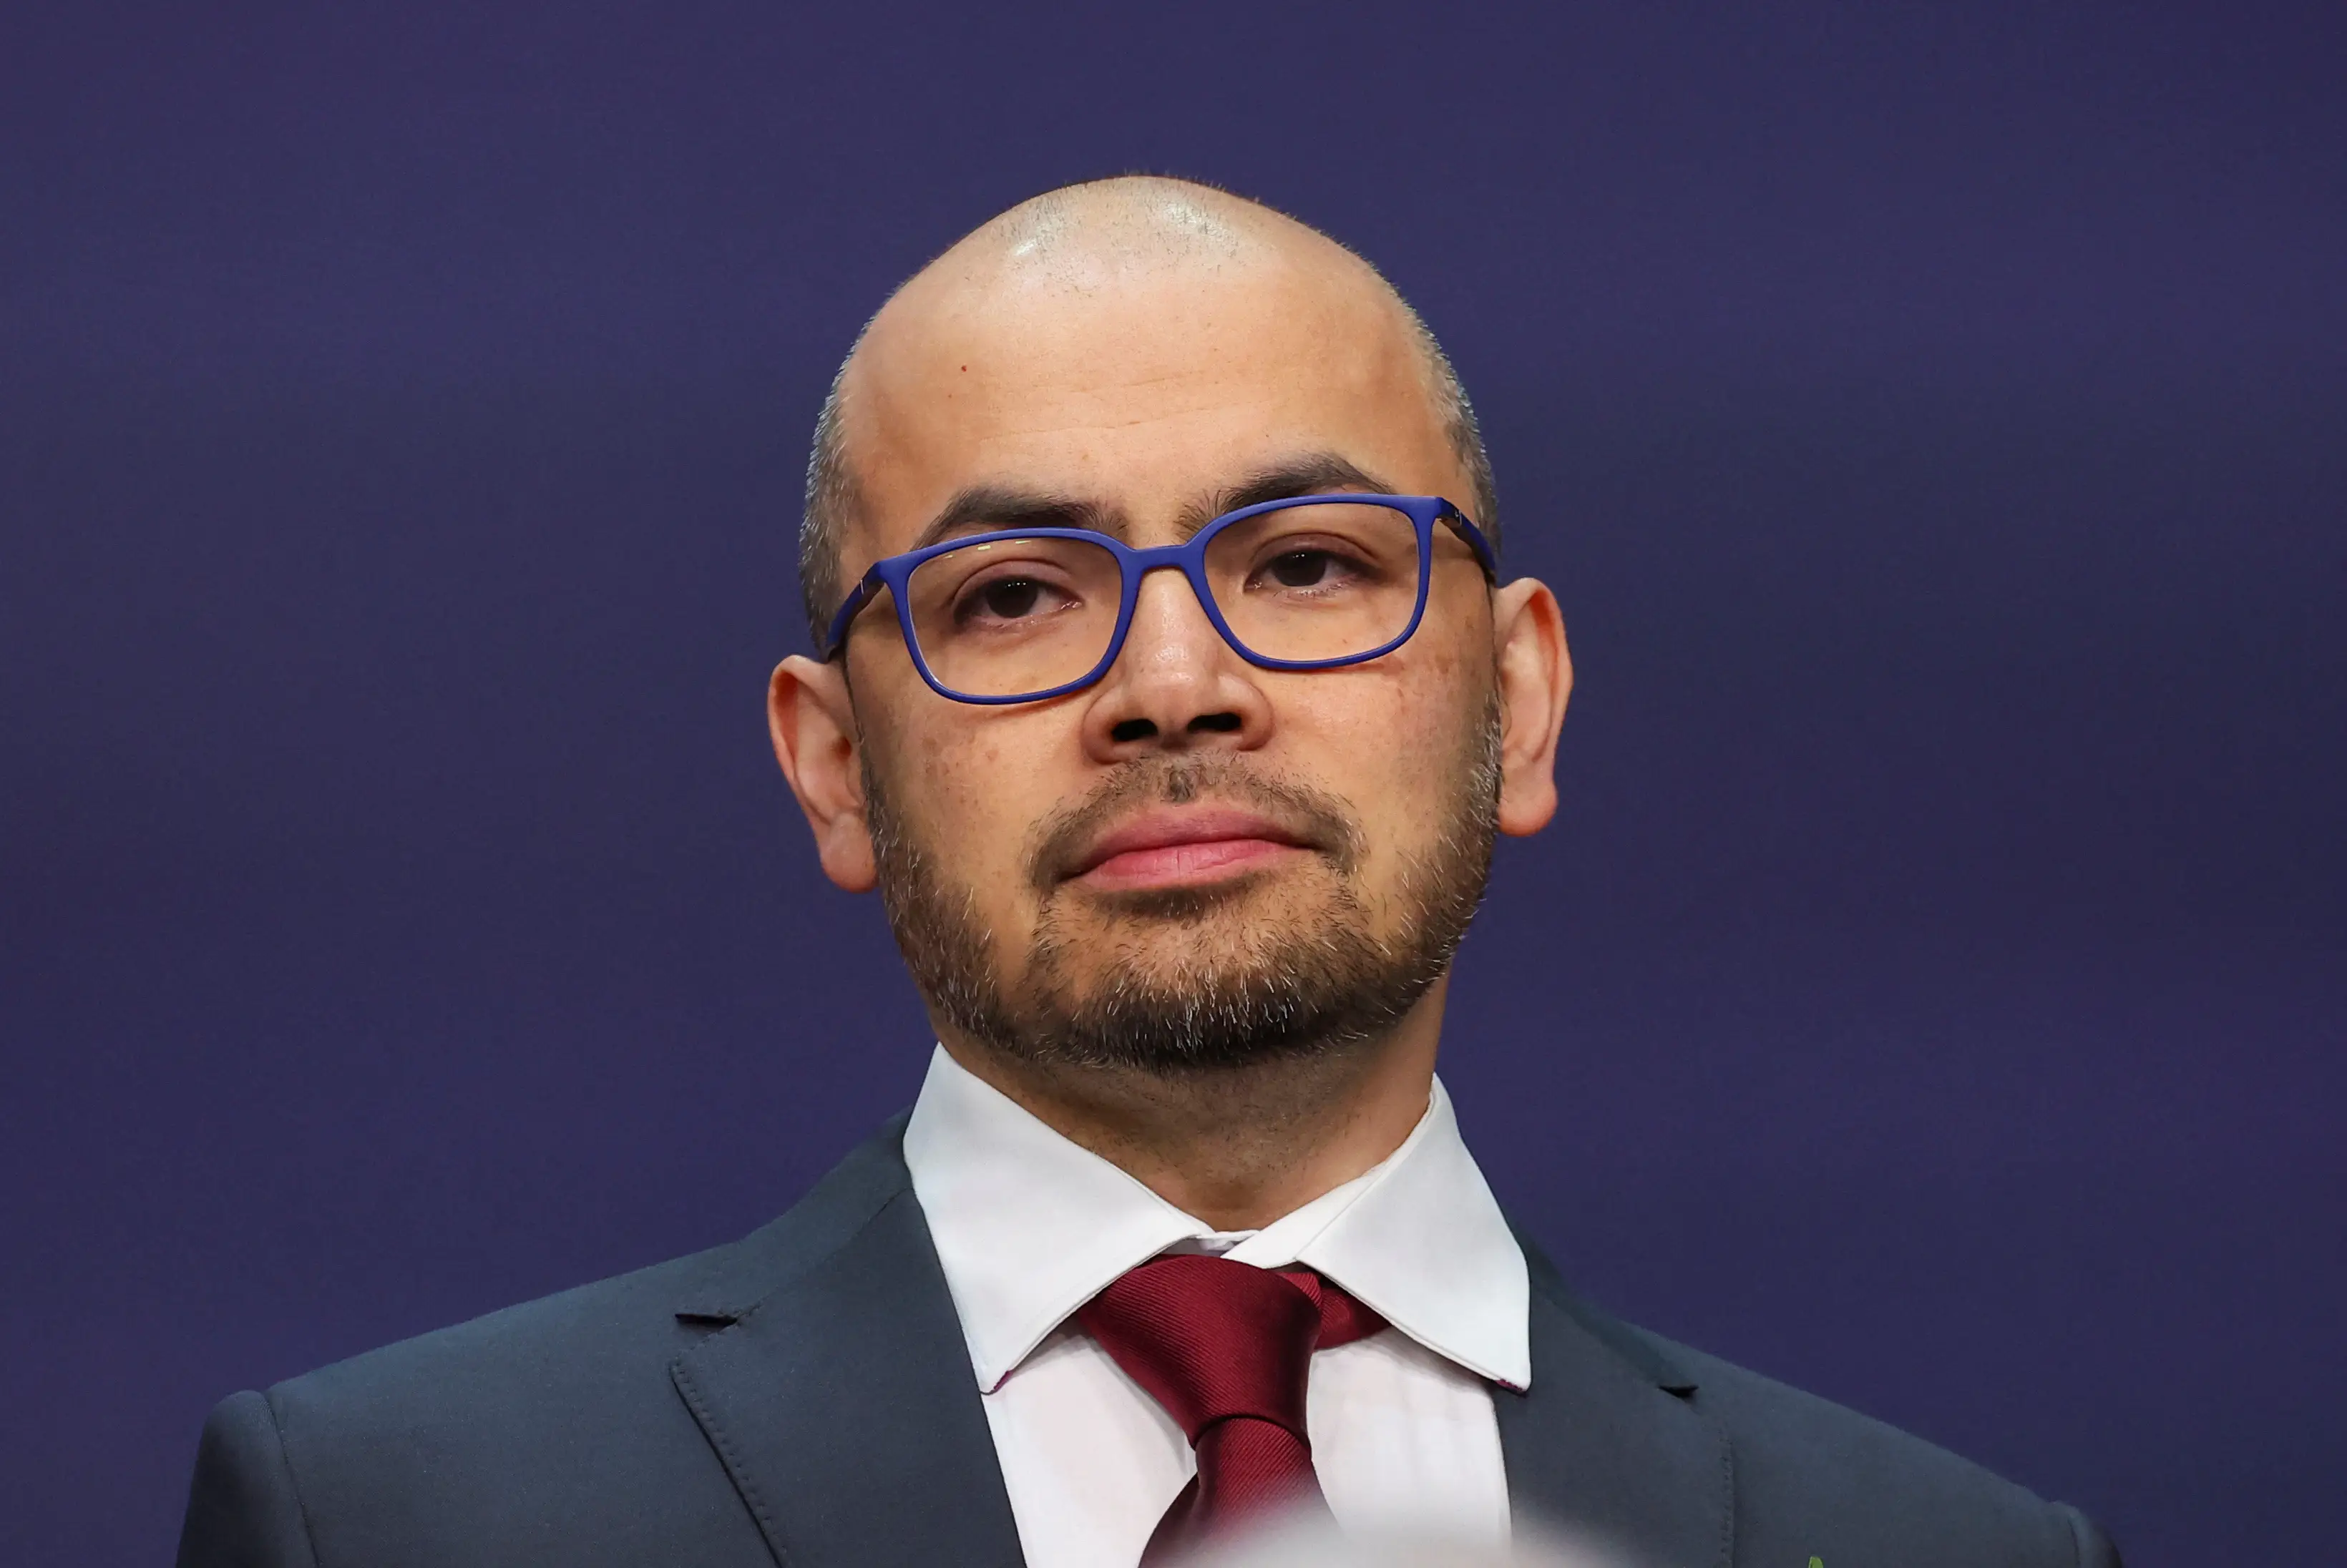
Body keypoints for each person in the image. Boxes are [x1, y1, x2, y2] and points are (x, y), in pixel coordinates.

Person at [177, 176, 2120, 1568]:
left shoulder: (1947, 1547)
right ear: (835, 766)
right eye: (1016, 597)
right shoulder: (399, 1513)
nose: (1171, 686)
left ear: (1518, 703)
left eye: (1305, 566)